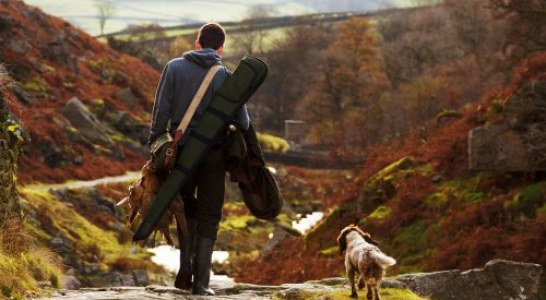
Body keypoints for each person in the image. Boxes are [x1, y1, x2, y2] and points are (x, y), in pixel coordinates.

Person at [148, 22, 250, 296]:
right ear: (220, 48)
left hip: (181, 152)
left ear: (196, 43)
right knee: (209, 214)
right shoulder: (226, 77)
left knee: (184, 209)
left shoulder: (173, 68)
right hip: (213, 154)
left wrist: (157, 145)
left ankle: (184, 271)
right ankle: (202, 284)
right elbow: (243, 120)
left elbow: (161, 112)